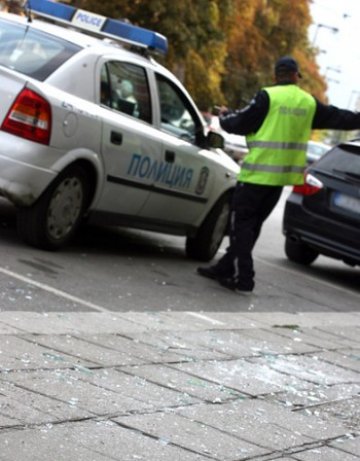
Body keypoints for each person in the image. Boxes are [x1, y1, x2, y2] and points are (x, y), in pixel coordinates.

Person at [197, 56, 360, 295]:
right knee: (251, 226)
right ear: (296, 76)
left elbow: (239, 123)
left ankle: (244, 276)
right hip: (279, 181)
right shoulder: (308, 102)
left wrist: (224, 116)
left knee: (240, 225)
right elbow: (340, 118)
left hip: (256, 177)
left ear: (276, 76)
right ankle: (225, 267)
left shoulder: (267, 96)